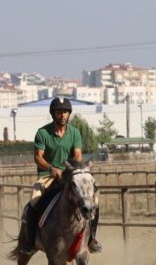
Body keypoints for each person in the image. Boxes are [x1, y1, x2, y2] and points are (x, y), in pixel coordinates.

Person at [19, 97, 101, 255]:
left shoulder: (74, 132)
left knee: (94, 202)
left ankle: (92, 240)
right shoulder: (43, 133)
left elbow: (77, 155)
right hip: (47, 176)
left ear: (69, 114)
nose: (62, 115)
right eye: (59, 112)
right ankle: (30, 242)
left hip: (70, 176)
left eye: (65, 112)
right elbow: (38, 157)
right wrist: (51, 168)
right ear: (53, 114)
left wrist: (73, 171)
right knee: (34, 202)